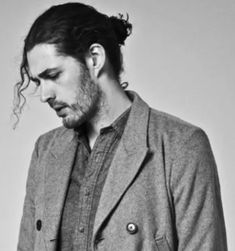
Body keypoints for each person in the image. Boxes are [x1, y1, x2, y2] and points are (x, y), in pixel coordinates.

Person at [15, 2, 227, 251]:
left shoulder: (182, 146)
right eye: (38, 81)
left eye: (53, 75)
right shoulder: (46, 150)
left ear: (95, 58)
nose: (44, 94)